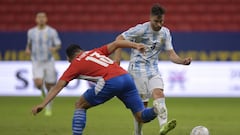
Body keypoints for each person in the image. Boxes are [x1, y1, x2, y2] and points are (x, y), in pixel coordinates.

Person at [31, 40, 162, 135]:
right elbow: (117, 43)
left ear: (69, 58)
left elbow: (57, 87)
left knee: (80, 105)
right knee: (140, 116)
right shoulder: (95, 52)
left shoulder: (74, 64)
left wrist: (43, 104)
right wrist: (136, 45)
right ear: (81, 50)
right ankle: (156, 109)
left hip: (110, 81)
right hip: (126, 78)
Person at [114, 4, 192, 135]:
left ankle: (163, 127)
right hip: (137, 71)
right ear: (150, 18)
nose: (159, 24)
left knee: (159, 94)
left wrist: (182, 61)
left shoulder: (165, 32)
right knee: (141, 108)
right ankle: (137, 133)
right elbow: (119, 39)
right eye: (156, 21)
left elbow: (171, 54)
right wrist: (117, 61)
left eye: (162, 21)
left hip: (153, 70)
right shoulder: (140, 30)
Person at [25, 12, 61, 116]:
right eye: (39, 17)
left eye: (43, 17)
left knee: (50, 85)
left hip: (49, 60)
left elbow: (58, 44)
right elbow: (29, 44)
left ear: (46, 19)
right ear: (36, 19)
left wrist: (54, 48)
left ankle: (48, 106)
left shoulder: (52, 31)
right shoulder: (31, 32)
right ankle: (45, 97)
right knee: (38, 83)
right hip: (36, 61)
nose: (41, 19)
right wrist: (27, 50)